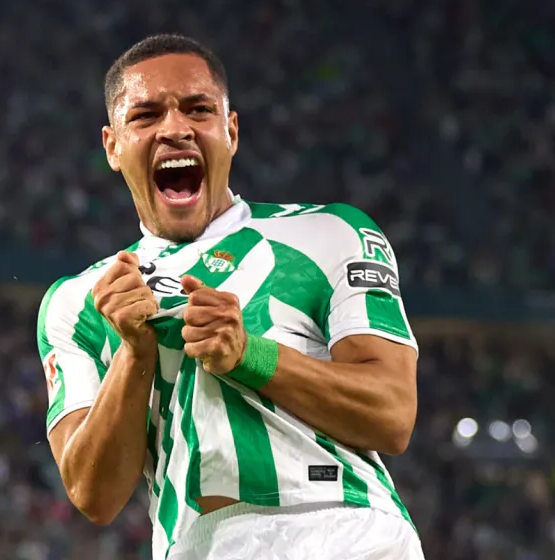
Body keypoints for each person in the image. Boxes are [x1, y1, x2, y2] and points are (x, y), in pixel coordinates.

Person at [37, 33, 423, 560]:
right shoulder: (81, 300)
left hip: (348, 532)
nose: (175, 129)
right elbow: (93, 495)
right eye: (146, 116)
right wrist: (134, 354)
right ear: (112, 145)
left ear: (231, 130)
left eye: (198, 109)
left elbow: (392, 412)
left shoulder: (330, 233)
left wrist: (249, 355)